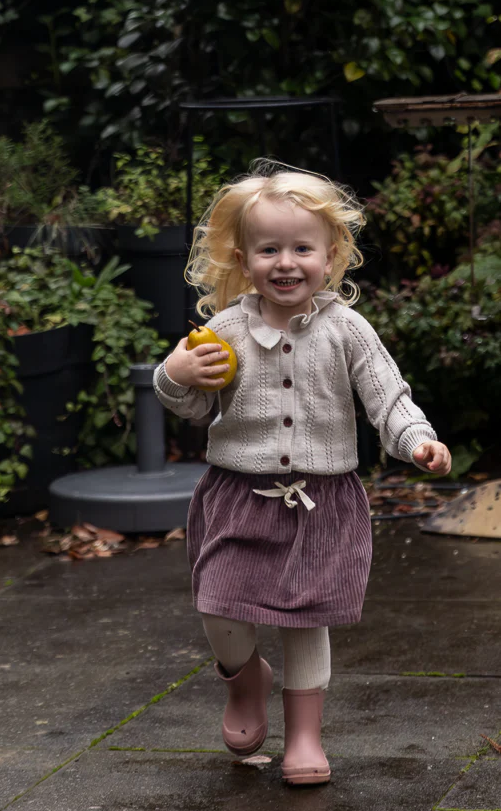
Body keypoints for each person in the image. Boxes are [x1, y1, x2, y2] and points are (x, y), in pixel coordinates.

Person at [152, 162, 451, 787]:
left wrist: (417, 440)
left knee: (306, 617)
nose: (285, 263)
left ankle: (306, 738)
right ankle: (244, 679)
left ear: (331, 254)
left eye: (302, 248)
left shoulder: (347, 329)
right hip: (238, 493)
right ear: (244, 256)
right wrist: (175, 376)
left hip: (322, 499)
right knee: (219, 604)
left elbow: (387, 398)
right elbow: (195, 405)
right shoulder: (226, 329)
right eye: (269, 249)